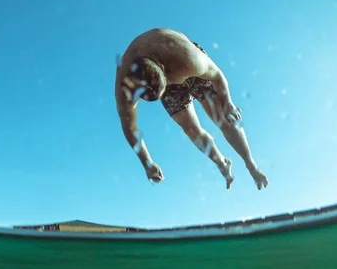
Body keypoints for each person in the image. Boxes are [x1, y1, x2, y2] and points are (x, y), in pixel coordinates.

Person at [115, 28, 269, 190]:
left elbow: (217, 76)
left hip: (182, 64)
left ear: (163, 68)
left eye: (167, 82)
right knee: (190, 128)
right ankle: (222, 163)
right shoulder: (124, 90)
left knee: (224, 116)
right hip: (158, 73)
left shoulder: (188, 58)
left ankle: (251, 165)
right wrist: (147, 163)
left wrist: (228, 103)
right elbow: (129, 128)